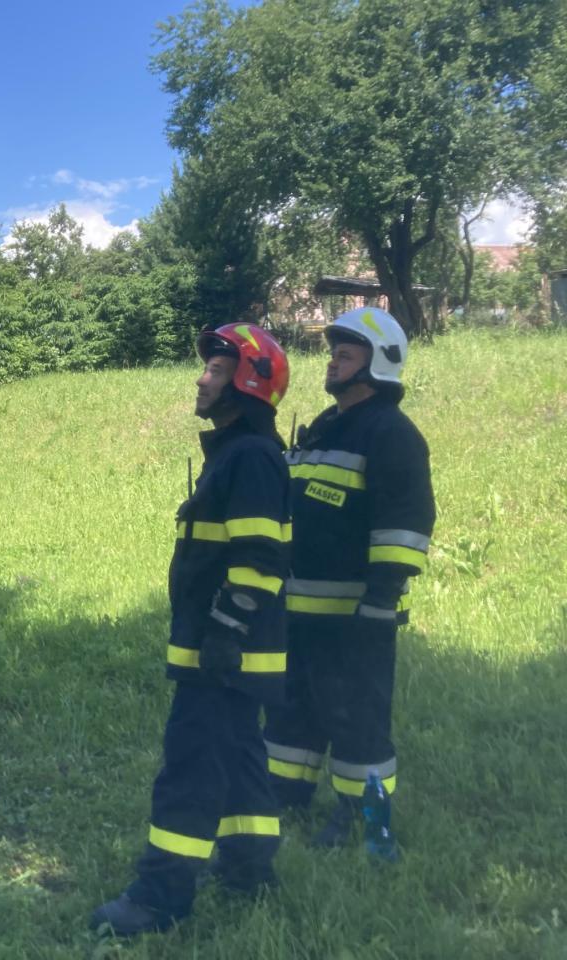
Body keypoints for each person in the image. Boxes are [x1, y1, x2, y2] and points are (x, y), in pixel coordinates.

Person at [92, 324, 291, 936]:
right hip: (233, 652)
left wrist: (225, 632)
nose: (201, 379)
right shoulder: (240, 453)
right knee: (241, 756)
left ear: (248, 384)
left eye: (216, 370)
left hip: (223, 652)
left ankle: (159, 898)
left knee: (191, 767)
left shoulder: (250, 457)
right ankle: (250, 870)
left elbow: (260, 556)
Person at [263, 306, 435, 846]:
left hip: (356, 617)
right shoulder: (324, 427)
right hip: (299, 612)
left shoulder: (391, 434)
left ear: (378, 362)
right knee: (292, 711)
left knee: (356, 719)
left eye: (344, 355)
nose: (332, 363)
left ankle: (362, 817)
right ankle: (284, 794)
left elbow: (405, 522)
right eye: (333, 354)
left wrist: (380, 600)